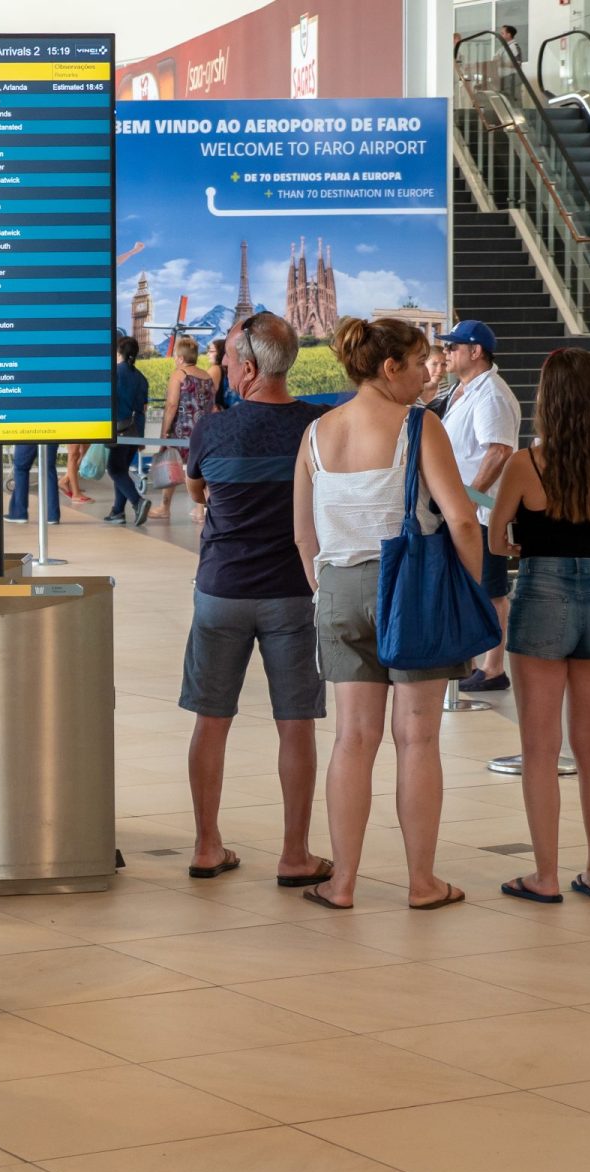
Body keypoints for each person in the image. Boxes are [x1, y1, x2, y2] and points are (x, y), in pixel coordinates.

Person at [293, 317, 482, 911]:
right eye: (422, 360)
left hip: (338, 589)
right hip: (412, 591)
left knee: (353, 738)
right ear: (389, 367)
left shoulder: (317, 433)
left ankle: (343, 882)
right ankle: (421, 883)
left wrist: (326, 587)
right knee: (417, 738)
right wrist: (467, 590)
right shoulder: (419, 426)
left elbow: (303, 534)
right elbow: (459, 518)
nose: (432, 370)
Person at [180, 314, 330, 884]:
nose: (222, 368)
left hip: (221, 590)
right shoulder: (317, 426)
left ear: (246, 366)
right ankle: (295, 855)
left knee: (211, 720)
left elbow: (199, 489)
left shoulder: (212, 430)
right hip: (293, 593)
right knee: (296, 724)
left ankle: (205, 846)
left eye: (226, 361)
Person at [490, 348, 590, 905]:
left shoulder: (526, 464)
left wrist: (522, 541)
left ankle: (545, 876)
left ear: (548, 399)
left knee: (540, 747)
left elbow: (497, 536)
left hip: (542, 592)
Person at [438, 320, 520, 693]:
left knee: (491, 589)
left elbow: (499, 450)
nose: (446, 352)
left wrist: (471, 498)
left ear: (476, 352)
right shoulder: (462, 389)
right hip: (459, 508)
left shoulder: (491, 395)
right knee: (471, 587)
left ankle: (492, 667)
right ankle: (472, 659)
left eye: (453, 347)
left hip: (480, 511)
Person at [158, 336, 216, 522]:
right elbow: (212, 405)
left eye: (175, 355)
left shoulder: (179, 374)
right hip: (204, 432)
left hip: (181, 431)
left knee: (171, 466)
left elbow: (172, 405)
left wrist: (164, 432)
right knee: (202, 470)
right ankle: (200, 511)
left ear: (181, 357)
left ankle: (165, 507)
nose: (175, 359)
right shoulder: (207, 376)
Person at [105, 335, 152, 526]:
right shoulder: (141, 377)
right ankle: (117, 511)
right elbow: (144, 408)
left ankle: (138, 501)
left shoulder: (114, 373)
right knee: (121, 469)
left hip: (119, 428)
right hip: (136, 430)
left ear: (118, 352)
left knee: (114, 469)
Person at [8, 442, 60, 525]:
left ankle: (19, 513)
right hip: (51, 432)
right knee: (49, 469)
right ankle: (52, 515)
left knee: (21, 469)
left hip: (29, 433)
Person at [419, 343, 453, 415]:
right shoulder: (409, 390)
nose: (440, 370)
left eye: (444, 364)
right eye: (434, 364)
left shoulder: (449, 390)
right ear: (424, 364)